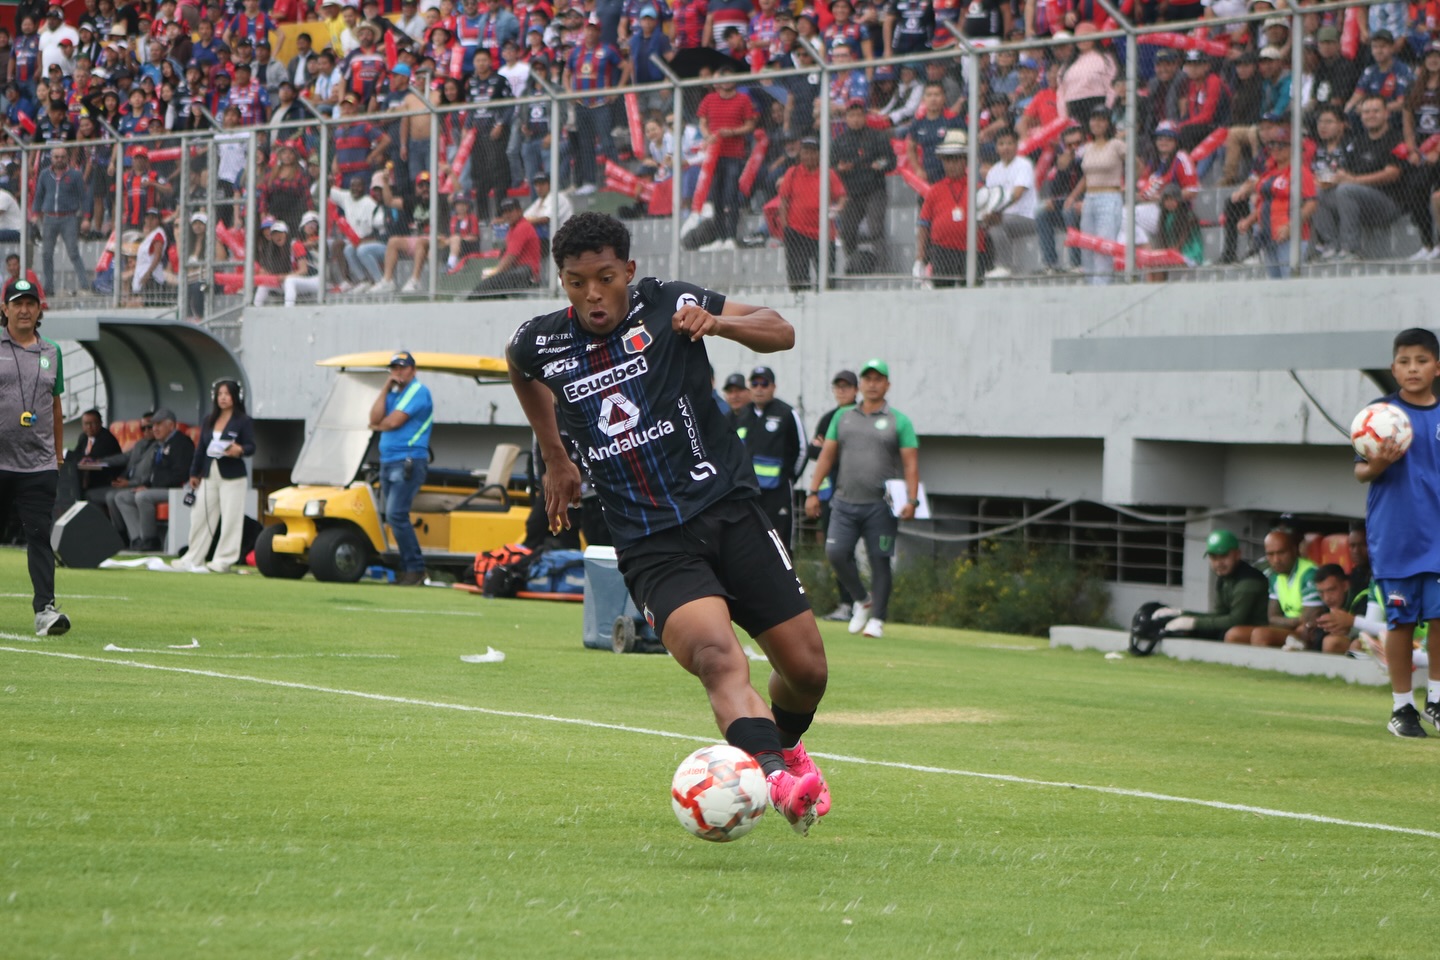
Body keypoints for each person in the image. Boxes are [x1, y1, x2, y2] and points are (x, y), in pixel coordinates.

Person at [506, 211, 829, 835]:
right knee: (716, 655)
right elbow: (520, 370)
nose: (592, 294)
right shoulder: (541, 341)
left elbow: (781, 330)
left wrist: (720, 323)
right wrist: (555, 456)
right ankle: (775, 778)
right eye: (576, 282)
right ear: (562, 281)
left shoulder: (668, 302)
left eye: (605, 278)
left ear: (628, 270)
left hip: (730, 512)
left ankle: (785, 748)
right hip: (650, 540)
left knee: (808, 670)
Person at [1356, 328, 1440, 738]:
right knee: (1401, 622)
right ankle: (1401, 708)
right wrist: (1378, 463)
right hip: (1396, 536)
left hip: (1437, 534)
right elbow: (1359, 472)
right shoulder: (1379, 416)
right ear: (1393, 368)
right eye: (1404, 362)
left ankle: (1438, 698)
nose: (1413, 369)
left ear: (1437, 367)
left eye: (1421, 361)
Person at [804, 358, 919, 640]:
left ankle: (877, 618)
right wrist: (813, 490)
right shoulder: (842, 418)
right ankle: (861, 599)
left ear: (887, 385)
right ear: (861, 384)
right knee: (835, 553)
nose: (872, 384)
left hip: (881, 505)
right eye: (867, 379)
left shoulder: (899, 421)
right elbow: (827, 455)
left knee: (880, 560)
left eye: (878, 379)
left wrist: (912, 500)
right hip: (843, 502)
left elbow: (911, 464)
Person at [0, 278, 69, 635]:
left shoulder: (52, 351)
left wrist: (57, 458)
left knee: (40, 537)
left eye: (31, 303)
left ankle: (45, 611)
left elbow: (55, 407)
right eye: (17, 303)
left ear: (40, 309)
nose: (24, 309)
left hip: (39, 465)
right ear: (4, 308)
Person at [174, 380, 255, 574]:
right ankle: (193, 556)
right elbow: (201, 448)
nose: (223, 398)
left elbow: (251, 447)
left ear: (235, 397)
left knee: (230, 518)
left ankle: (223, 560)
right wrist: (194, 472)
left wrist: (239, 449)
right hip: (210, 473)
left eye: (227, 394)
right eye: (220, 394)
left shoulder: (243, 420)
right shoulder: (209, 419)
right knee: (200, 515)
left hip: (233, 475)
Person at [368, 350, 433, 585]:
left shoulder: (418, 391)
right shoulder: (394, 394)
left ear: (413, 370)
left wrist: (378, 425)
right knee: (393, 516)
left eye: (402, 368)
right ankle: (408, 570)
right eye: (394, 368)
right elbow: (374, 417)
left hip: (408, 460)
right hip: (388, 460)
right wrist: (385, 387)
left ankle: (415, 569)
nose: (398, 372)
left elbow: (391, 422)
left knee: (396, 514)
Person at [734, 365, 806, 552]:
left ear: (773, 387)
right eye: (755, 383)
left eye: (764, 383)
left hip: (778, 492)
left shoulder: (787, 413)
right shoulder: (742, 415)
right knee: (749, 543)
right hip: (748, 492)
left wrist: (788, 478)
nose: (759, 388)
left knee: (780, 543)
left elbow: (802, 450)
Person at [1155, 529, 1269, 641]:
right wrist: (1182, 613)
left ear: (1237, 555)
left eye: (1224, 556)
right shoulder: (1224, 578)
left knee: (1227, 633)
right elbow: (1219, 615)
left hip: (1257, 633)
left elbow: (1235, 620)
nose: (1218, 563)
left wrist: (1193, 622)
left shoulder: (1249, 580)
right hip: (1237, 629)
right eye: (1214, 557)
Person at [808, 369, 858, 622]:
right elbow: (814, 452)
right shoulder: (829, 418)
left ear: (855, 390)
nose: (841, 391)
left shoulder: (860, 416)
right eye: (837, 386)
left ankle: (863, 604)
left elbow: (855, 453)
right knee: (836, 550)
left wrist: (829, 450)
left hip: (857, 493)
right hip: (832, 495)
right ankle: (847, 604)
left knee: (852, 552)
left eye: (846, 387)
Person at [112, 406, 195, 551]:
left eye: (159, 425)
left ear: (170, 426)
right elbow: (153, 473)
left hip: (178, 490)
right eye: (153, 425)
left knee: (143, 496)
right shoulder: (160, 445)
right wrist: (146, 484)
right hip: (159, 487)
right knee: (122, 497)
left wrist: (151, 486)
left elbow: (180, 474)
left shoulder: (182, 443)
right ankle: (137, 539)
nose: (154, 429)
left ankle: (150, 540)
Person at [1224, 529, 1322, 648]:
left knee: (1261, 635)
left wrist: (1287, 622)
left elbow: (1306, 621)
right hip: (1289, 629)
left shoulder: (1310, 574)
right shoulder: (1274, 575)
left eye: (1281, 553)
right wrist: (1293, 621)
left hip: (1307, 633)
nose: (1276, 560)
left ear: (1294, 550)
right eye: (1270, 554)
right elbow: (1272, 618)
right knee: (1233, 634)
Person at [832, 98, 894, 271]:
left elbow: (891, 161)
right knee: (847, 231)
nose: (856, 119)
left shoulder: (877, 136)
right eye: (852, 115)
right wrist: (840, 168)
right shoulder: (840, 141)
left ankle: (883, 268)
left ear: (865, 116)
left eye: (859, 115)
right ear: (846, 118)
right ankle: (854, 263)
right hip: (851, 192)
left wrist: (878, 165)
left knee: (875, 229)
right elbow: (831, 166)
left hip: (875, 190)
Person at [776, 136, 844, 292]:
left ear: (819, 154)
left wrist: (836, 209)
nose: (809, 156)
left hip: (823, 233)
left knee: (827, 277)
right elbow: (784, 201)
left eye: (813, 152)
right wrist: (786, 227)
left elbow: (842, 197)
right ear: (800, 154)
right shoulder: (792, 173)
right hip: (797, 231)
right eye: (805, 152)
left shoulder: (828, 173)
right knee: (798, 277)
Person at [916, 130, 980, 288]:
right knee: (942, 294)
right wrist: (920, 258)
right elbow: (924, 224)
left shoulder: (977, 188)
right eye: (947, 160)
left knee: (973, 293)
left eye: (956, 159)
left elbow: (990, 220)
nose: (951, 164)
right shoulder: (935, 190)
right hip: (942, 252)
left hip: (972, 250)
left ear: (965, 160)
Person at [30, 145, 87, 297]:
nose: (59, 160)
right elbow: (38, 195)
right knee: (46, 254)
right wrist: (35, 214)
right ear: (51, 158)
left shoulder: (74, 175)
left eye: (62, 157)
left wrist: (86, 218)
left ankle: (85, 285)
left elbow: (84, 197)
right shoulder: (44, 175)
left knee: (73, 252)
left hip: (69, 217)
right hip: (49, 218)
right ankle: (48, 288)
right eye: (56, 157)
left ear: (67, 158)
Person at [94, 409, 156, 542]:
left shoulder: (159, 446)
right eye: (143, 428)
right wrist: (100, 461)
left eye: (149, 427)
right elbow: (124, 457)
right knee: (108, 496)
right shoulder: (140, 444)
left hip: (141, 485)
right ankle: (120, 533)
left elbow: (153, 474)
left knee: (115, 496)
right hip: (128, 482)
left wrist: (130, 484)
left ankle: (130, 536)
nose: (146, 431)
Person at [471, 197, 540, 295]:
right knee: (489, 285)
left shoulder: (522, 227)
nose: (507, 215)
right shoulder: (512, 228)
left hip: (526, 274)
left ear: (519, 211)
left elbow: (510, 258)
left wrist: (494, 273)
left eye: (510, 211)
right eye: (505, 212)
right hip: (517, 272)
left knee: (487, 285)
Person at [71, 406, 122, 499]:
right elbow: (76, 455)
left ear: (100, 423)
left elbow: (93, 458)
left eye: (92, 423)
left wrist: (80, 459)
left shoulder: (107, 438)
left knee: (77, 490)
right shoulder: (83, 437)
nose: (89, 427)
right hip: (88, 478)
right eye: (86, 424)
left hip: (104, 480)